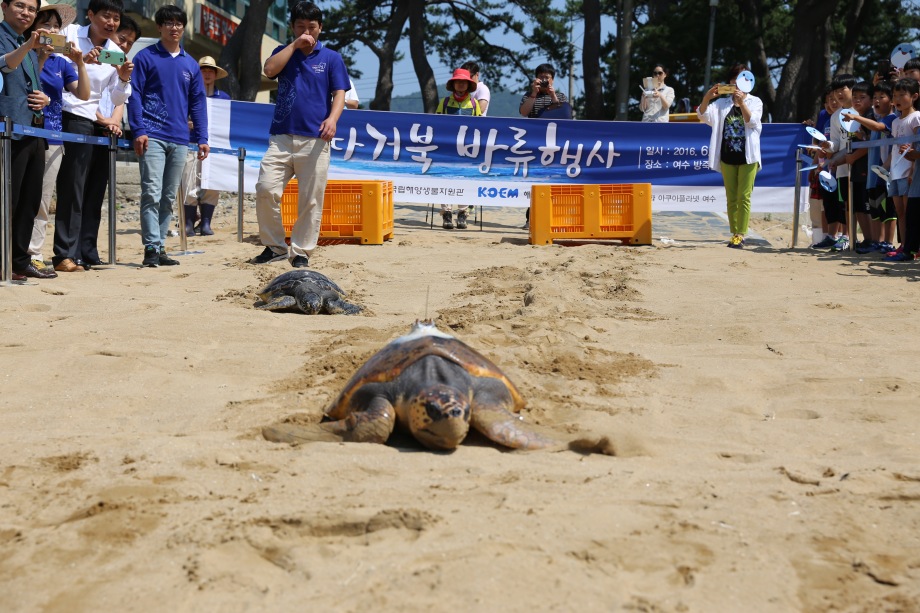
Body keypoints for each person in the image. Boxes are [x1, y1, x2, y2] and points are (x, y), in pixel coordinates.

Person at [252, 1, 347, 268]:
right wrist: (294, 46)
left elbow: (340, 93)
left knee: (311, 199)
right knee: (265, 188)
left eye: (312, 27)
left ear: (321, 28)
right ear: (293, 27)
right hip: (281, 136)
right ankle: (274, 246)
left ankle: (302, 251)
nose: (307, 32)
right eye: (301, 26)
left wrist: (332, 119)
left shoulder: (332, 58)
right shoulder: (284, 51)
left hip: (316, 138)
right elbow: (269, 70)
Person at [52, 0, 133, 273]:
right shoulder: (72, 33)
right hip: (56, 111)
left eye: (116, 18)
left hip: (84, 121)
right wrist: (80, 61)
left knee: (80, 188)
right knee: (63, 187)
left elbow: (118, 97)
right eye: (105, 16)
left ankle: (72, 253)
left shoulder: (115, 53)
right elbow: (49, 54)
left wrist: (122, 78)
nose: (111, 23)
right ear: (91, 15)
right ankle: (64, 253)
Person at [128, 5, 209, 267]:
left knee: (168, 195)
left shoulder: (190, 64)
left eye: (178, 23)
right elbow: (135, 94)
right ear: (160, 27)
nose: (174, 28)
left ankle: (160, 247)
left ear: (183, 28)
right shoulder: (144, 57)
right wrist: (138, 130)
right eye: (169, 23)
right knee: (151, 191)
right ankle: (150, 247)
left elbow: (198, 103)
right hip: (151, 135)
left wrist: (203, 136)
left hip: (180, 138)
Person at [27, 3, 89, 271]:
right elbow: (27, 83)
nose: (51, 29)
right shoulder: (22, 52)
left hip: (52, 135)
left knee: (42, 198)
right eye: (46, 23)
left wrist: (80, 62)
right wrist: (39, 55)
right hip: (21, 133)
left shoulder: (62, 63)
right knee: (17, 195)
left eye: (55, 25)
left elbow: (83, 94)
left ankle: (33, 253)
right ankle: (13, 252)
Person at [0, 0, 56, 280]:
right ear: (4, 6)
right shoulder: (9, 39)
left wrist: (44, 97)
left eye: (31, 9)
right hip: (9, 128)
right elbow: (5, 66)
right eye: (20, 6)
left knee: (30, 199)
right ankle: (3, 260)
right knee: (7, 199)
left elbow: (32, 85)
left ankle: (19, 260)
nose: (26, 13)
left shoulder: (30, 45)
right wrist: (29, 47)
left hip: (35, 128)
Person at [697, 63, 763, 249]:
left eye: (742, 78)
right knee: (731, 196)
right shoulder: (721, 104)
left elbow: (752, 122)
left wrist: (742, 103)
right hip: (727, 156)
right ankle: (734, 233)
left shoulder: (755, 101)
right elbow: (703, 116)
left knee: (744, 196)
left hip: (748, 157)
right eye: (734, 79)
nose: (737, 83)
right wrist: (707, 97)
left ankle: (741, 234)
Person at [178, 55, 229, 237]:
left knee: (212, 184)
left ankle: (206, 223)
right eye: (203, 70)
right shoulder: (186, 95)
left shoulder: (224, 98)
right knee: (188, 182)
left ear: (215, 75)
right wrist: (186, 123)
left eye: (210, 70)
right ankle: (189, 223)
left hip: (215, 147)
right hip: (190, 144)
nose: (207, 74)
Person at [519, 62, 569, 228]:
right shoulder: (528, 96)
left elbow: (565, 116)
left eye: (547, 78)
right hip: (534, 143)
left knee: (555, 181)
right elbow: (524, 113)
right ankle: (530, 218)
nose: (544, 80)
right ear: (536, 79)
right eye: (541, 77)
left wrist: (553, 96)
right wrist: (534, 93)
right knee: (534, 181)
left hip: (556, 144)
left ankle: (555, 217)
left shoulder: (560, 96)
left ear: (553, 80)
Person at [434, 67, 481, 230]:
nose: (461, 85)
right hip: (447, 149)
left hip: (467, 150)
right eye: (458, 82)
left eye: (464, 82)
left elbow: (480, 127)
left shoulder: (474, 104)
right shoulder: (444, 103)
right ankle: (446, 214)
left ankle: (462, 215)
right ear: (453, 84)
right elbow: (436, 124)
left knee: (465, 180)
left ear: (469, 85)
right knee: (445, 179)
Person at [814, 74, 856, 252]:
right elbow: (837, 143)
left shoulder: (860, 111)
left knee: (859, 204)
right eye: (836, 91)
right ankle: (844, 237)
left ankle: (850, 237)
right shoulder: (835, 116)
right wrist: (827, 145)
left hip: (858, 163)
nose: (839, 94)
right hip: (841, 167)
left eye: (842, 90)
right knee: (844, 203)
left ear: (852, 89)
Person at [884, 77, 920, 261]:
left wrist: (913, 171)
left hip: (909, 172)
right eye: (894, 95)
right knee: (900, 212)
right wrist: (885, 168)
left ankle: (913, 248)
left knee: (910, 211)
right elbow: (894, 149)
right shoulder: (896, 122)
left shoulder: (917, 117)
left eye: (901, 95)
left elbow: (916, 148)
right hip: (895, 173)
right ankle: (904, 245)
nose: (897, 99)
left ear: (914, 96)